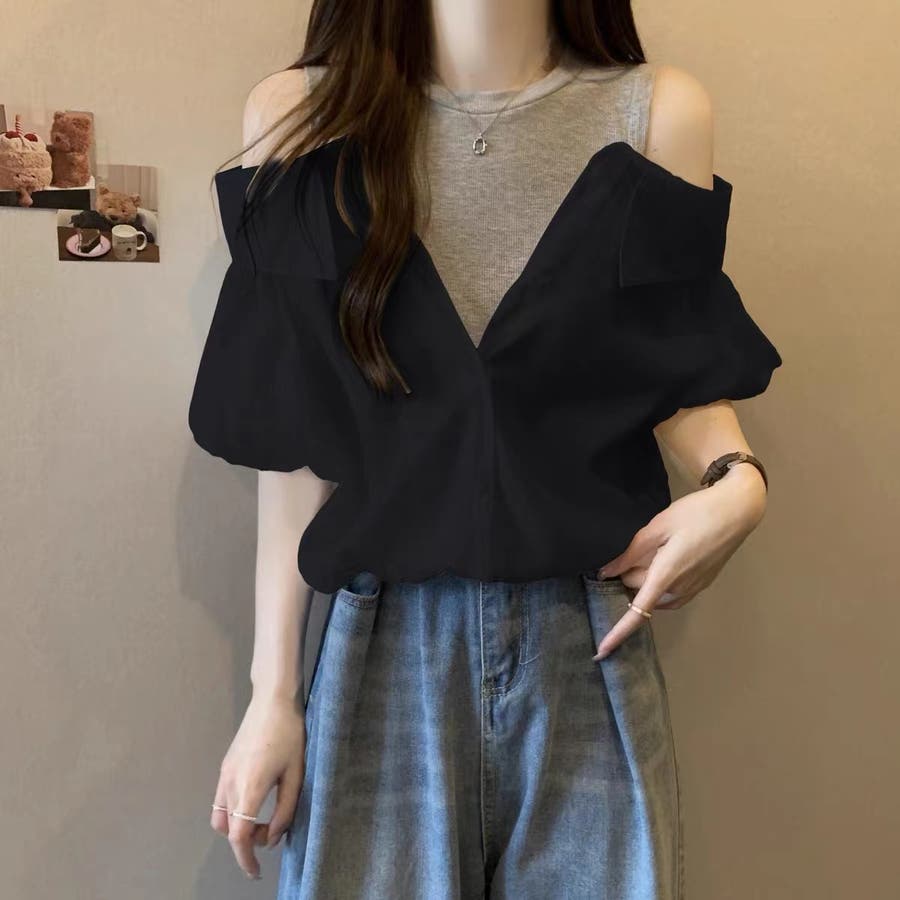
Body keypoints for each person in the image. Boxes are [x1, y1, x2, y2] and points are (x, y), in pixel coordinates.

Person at [190, 1, 782, 897]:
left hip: (587, 641)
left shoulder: (656, 114)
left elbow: (671, 369)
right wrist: (272, 694)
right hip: (384, 650)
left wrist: (739, 484)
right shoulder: (303, 116)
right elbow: (297, 438)